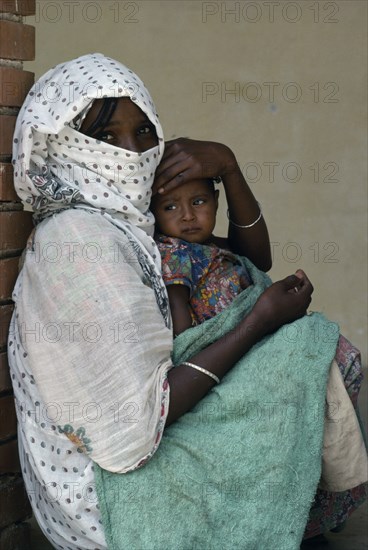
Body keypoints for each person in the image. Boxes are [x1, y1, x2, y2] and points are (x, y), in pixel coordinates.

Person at [8, 53, 366, 550]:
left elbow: (251, 255)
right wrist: (260, 319)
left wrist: (230, 167)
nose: (131, 154)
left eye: (144, 134)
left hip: (159, 416)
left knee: (316, 357)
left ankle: (288, 519)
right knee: (304, 363)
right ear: (59, 142)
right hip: (106, 495)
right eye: (106, 137)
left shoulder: (129, 222)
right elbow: (135, 428)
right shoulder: (79, 242)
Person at [151, 175, 270, 335]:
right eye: (170, 207)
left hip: (250, 329)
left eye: (198, 202)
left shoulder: (217, 248)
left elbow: (259, 262)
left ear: (215, 201)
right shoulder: (174, 252)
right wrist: (190, 350)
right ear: (153, 213)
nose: (188, 215)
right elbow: (175, 307)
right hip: (222, 341)